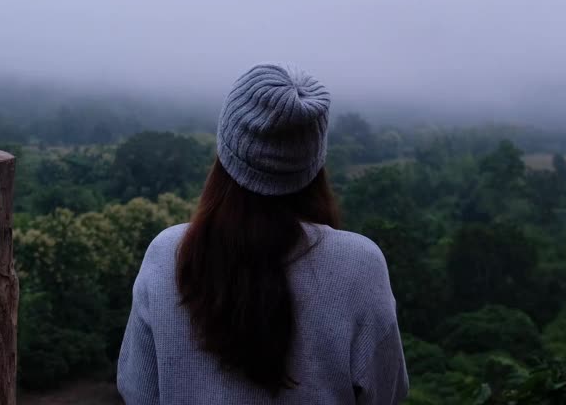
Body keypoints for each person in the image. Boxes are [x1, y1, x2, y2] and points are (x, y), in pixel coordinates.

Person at [118, 63, 409, 404]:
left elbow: (137, 390)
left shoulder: (169, 253)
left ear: (226, 154)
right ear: (314, 163)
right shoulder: (359, 265)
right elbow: (387, 392)